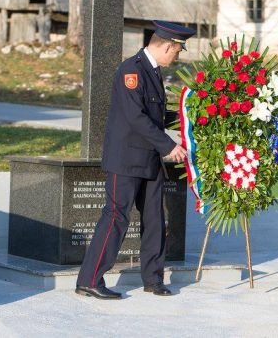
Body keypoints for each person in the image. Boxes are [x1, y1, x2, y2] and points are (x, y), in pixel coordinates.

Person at [75, 20, 193, 299]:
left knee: (155, 219)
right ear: (168, 46)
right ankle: (89, 280)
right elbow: (135, 117)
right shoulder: (132, 70)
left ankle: (153, 278)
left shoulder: (153, 71)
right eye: (177, 52)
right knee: (116, 216)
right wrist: (168, 145)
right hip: (126, 159)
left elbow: (154, 116)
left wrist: (190, 119)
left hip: (149, 159)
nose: (177, 57)